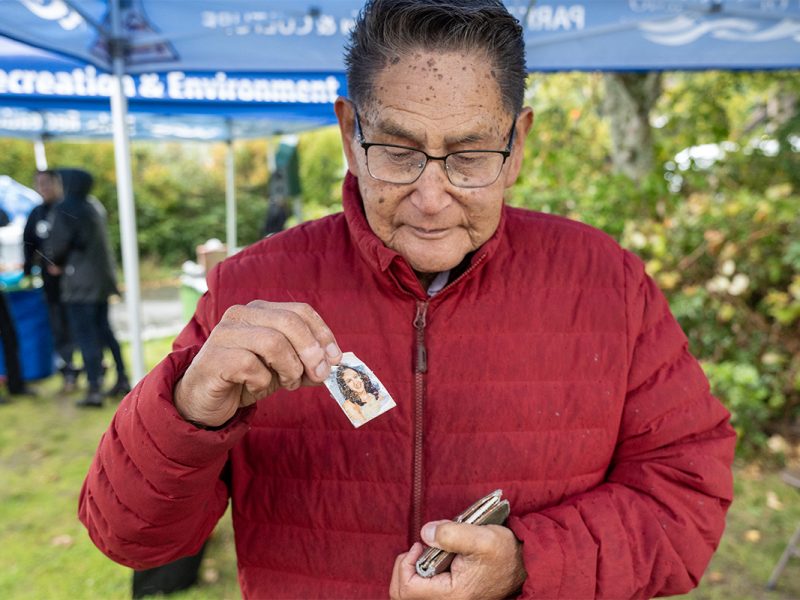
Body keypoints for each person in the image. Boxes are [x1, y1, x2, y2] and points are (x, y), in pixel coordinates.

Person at [78, 2, 736, 598]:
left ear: (517, 145)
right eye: (397, 151)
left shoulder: (607, 284)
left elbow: (686, 500)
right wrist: (189, 408)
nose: (430, 198)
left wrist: (526, 563)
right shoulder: (250, 290)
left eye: (470, 155)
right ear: (348, 134)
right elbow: (130, 538)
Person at [45, 169, 130, 407]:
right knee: (105, 331)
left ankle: (94, 388)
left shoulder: (66, 208)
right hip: (100, 280)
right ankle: (122, 377)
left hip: (80, 283)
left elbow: (58, 246)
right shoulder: (93, 206)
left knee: (86, 336)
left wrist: (54, 262)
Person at [23, 170, 80, 393]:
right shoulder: (36, 213)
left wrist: (64, 264)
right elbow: (28, 243)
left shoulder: (69, 210)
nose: (44, 188)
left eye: (47, 183)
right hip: (51, 286)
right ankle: (68, 371)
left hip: (75, 284)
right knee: (59, 329)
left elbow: (80, 244)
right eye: (39, 184)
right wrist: (28, 270)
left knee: (79, 326)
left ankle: (93, 369)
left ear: (58, 184)